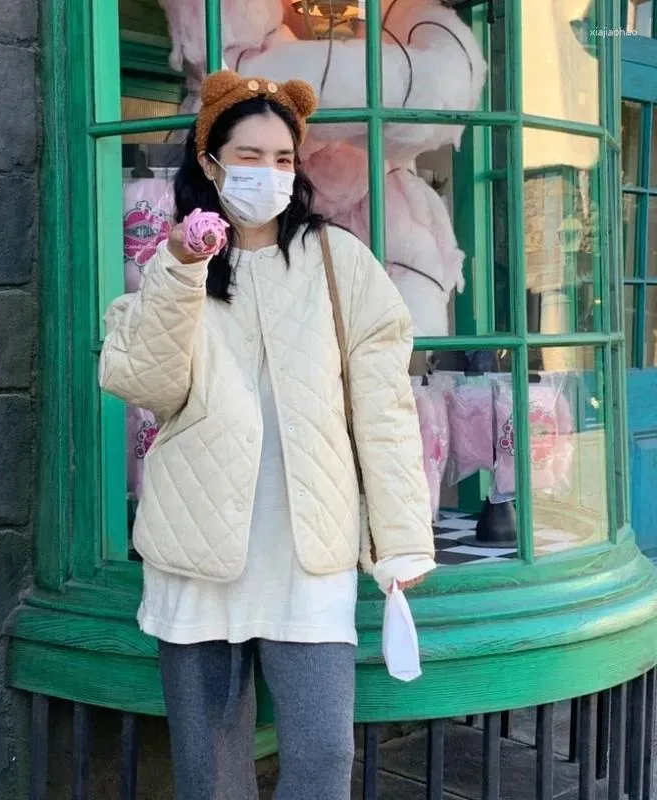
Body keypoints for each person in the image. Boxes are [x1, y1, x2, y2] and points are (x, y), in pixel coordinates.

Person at [99, 69, 436, 800]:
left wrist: (402, 536)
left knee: (319, 762)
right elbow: (144, 384)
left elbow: (383, 408)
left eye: (284, 159)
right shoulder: (171, 266)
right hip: (196, 551)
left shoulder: (340, 264)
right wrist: (184, 269)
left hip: (306, 553)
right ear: (210, 162)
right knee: (210, 775)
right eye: (248, 156)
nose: (269, 173)